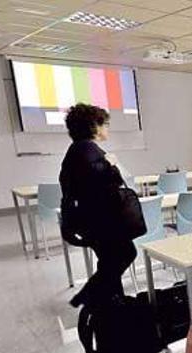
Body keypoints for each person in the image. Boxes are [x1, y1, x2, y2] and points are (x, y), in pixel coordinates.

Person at [60, 104, 135, 308]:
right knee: (125, 254)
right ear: (94, 126)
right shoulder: (87, 150)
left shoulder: (77, 150)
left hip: (91, 219)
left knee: (109, 259)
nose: (107, 129)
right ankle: (89, 296)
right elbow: (106, 182)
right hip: (101, 220)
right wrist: (110, 163)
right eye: (105, 124)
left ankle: (110, 301)